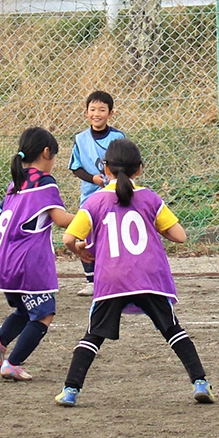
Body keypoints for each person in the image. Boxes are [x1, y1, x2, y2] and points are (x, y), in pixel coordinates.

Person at [55, 138, 215, 406]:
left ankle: (71, 390)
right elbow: (180, 236)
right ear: (139, 169)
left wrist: (81, 250)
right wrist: (156, 226)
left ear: (105, 169)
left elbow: (68, 239)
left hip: (111, 278)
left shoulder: (94, 203)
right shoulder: (151, 199)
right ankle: (200, 382)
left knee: (93, 335)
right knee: (173, 330)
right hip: (149, 277)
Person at [0, 127, 74, 381]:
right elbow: (60, 219)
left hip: (1, 259)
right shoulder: (44, 183)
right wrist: (90, 217)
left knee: (25, 310)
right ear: (47, 153)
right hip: (25, 264)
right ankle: (13, 363)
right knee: (44, 313)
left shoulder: (16, 180)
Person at [68, 90, 126, 296]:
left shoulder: (118, 137)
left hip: (115, 195)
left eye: (102, 110)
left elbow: (125, 163)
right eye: (93, 109)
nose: (97, 114)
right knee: (87, 234)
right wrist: (93, 179)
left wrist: (114, 180)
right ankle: (91, 280)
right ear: (86, 113)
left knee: (114, 235)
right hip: (90, 197)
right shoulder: (80, 139)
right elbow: (75, 167)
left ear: (110, 113)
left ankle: (116, 278)